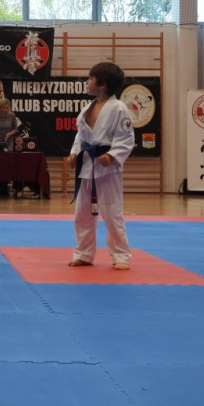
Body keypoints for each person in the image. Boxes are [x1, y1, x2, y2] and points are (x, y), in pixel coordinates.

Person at [66, 61, 135, 270]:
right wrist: (74, 153)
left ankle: (121, 255)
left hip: (107, 169)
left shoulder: (119, 108)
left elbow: (127, 138)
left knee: (112, 214)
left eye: (90, 78)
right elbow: (80, 136)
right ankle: (83, 253)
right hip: (87, 166)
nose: (87, 82)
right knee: (82, 215)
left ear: (102, 84)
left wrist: (112, 155)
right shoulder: (87, 109)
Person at [0, 97, 21, 197]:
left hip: (8, 143)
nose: (5, 110)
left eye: (7, 108)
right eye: (3, 108)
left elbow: (16, 129)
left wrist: (9, 134)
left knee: (7, 165)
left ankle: (5, 187)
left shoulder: (12, 115)